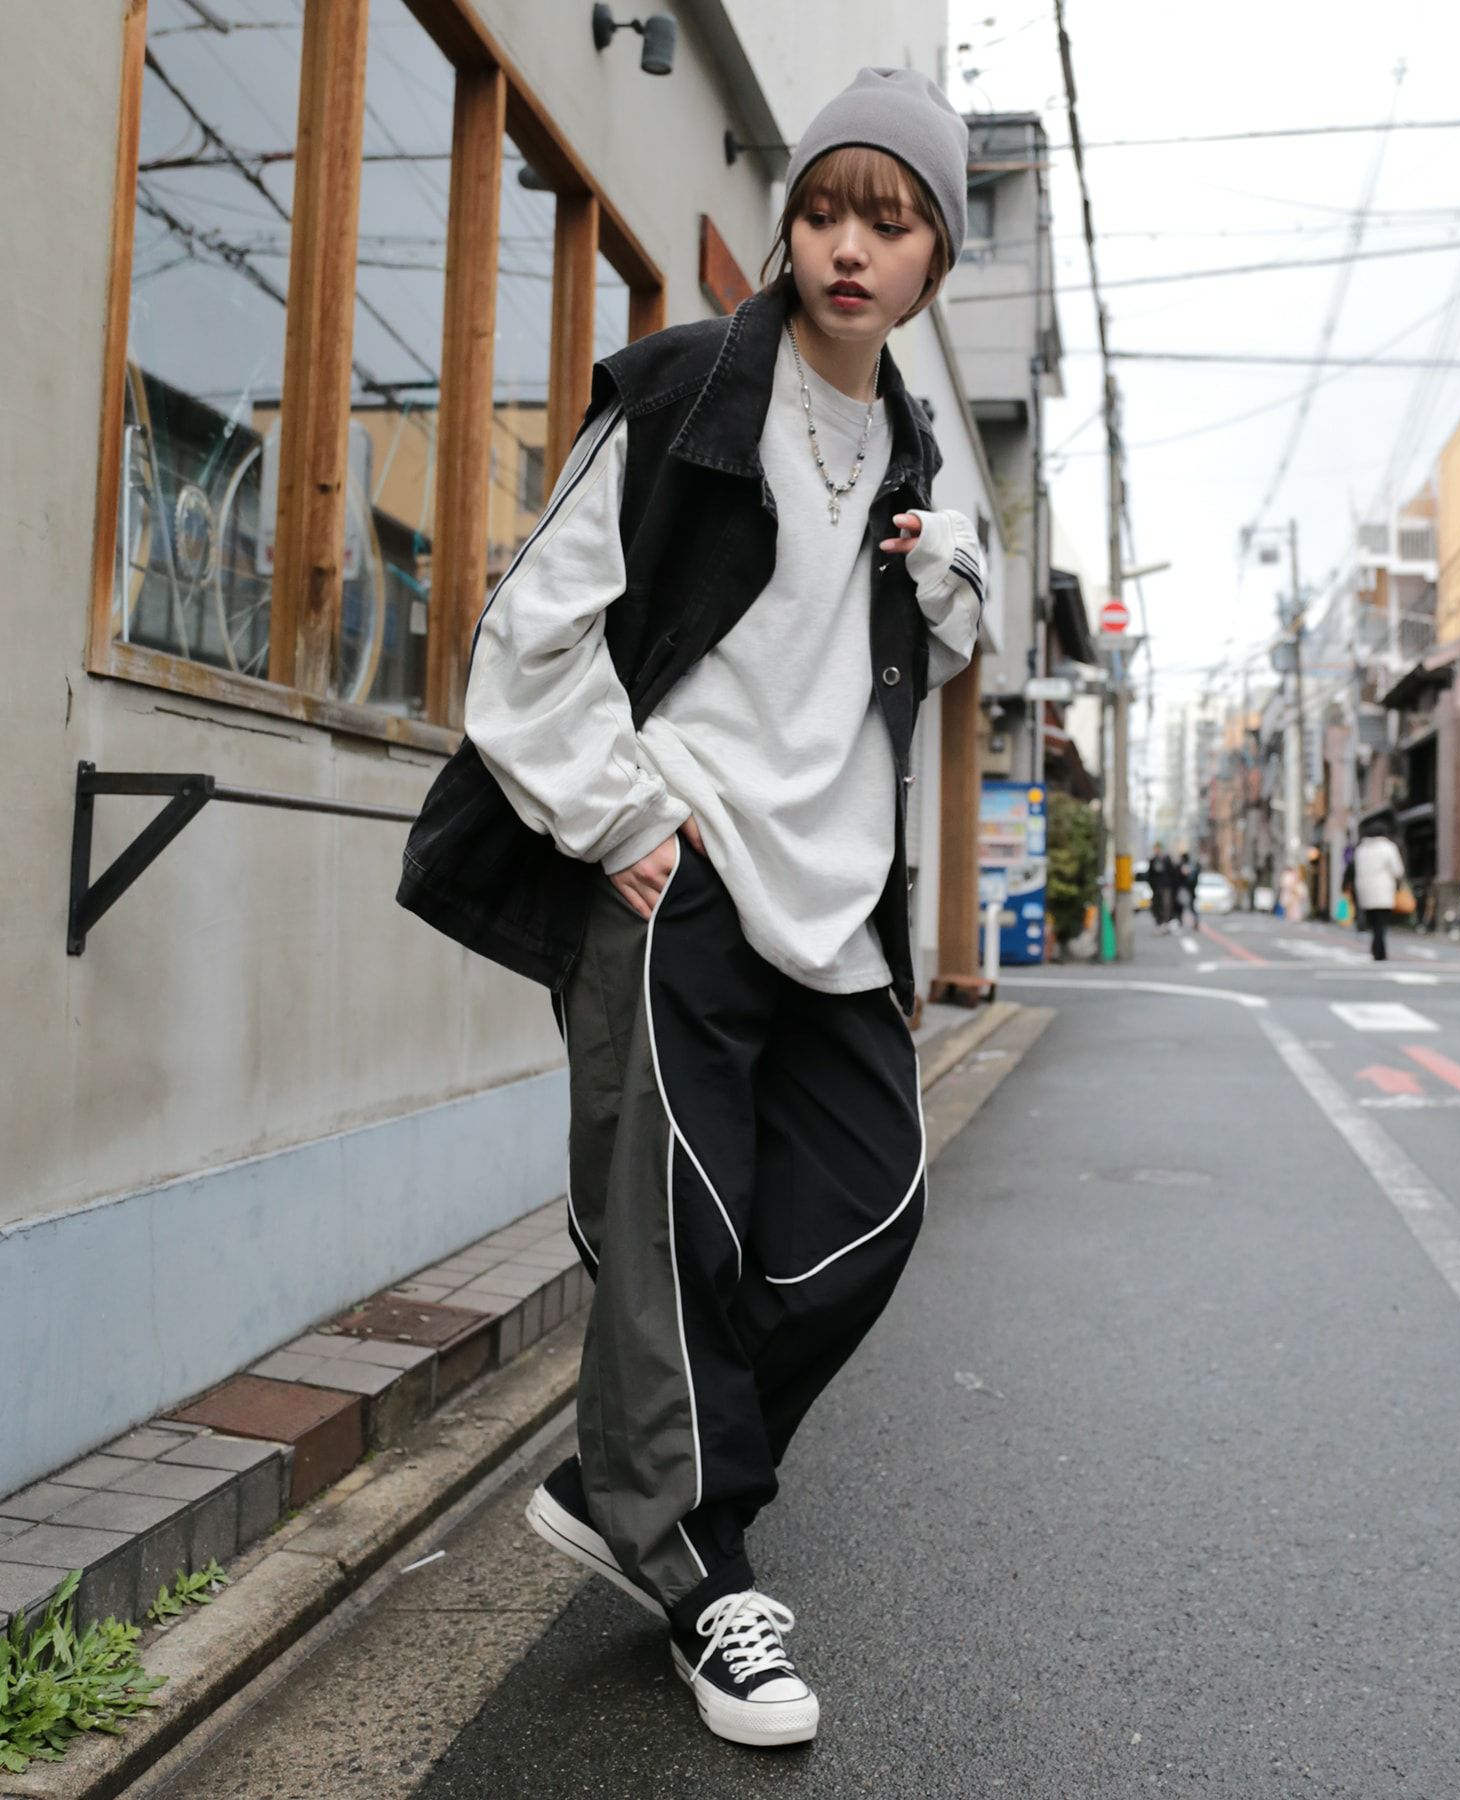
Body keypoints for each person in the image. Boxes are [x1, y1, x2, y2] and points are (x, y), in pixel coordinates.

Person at [398, 69, 981, 1750]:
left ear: (934, 260)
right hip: (683, 875)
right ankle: (706, 1574)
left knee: (867, 1215)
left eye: (890, 222)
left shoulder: (914, 449)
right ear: (789, 228)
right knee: (678, 1241)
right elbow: (529, 632)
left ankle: (623, 1484)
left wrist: (947, 583)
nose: (851, 246)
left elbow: (913, 656)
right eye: (826, 210)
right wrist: (621, 815)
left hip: (835, 906)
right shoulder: (684, 390)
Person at [1353, 819, 1405, 961]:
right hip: (1383, 890)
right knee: (1381, 924)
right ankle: (1380, 952)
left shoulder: (1361, 850)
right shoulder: (1388, 848)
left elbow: (1357, 870)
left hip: (1365, 891)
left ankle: (1375, 949)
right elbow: (1398, 870)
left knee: (1373, 922)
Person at [1147, 842, 1175, 932]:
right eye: (1156, 849)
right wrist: (1152, 885)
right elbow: (1150, 875)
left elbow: (1172, 872)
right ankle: (1159, 922)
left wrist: (1171, 885)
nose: (1157, 850)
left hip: (1166, 886)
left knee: (1166, 904)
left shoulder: (1166, 859)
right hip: (1156, 887)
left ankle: (1166, 922)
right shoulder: (1152, 860)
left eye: (1158, 848)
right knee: (1156, 905)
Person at [1176, 851, 1200, 931]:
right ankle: (1195, 922)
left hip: (1186, 890)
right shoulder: (1192, 866)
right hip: (1189, 890)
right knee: (1190, 907)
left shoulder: (1186, 866)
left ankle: (1183, 922)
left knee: (1183, 907)